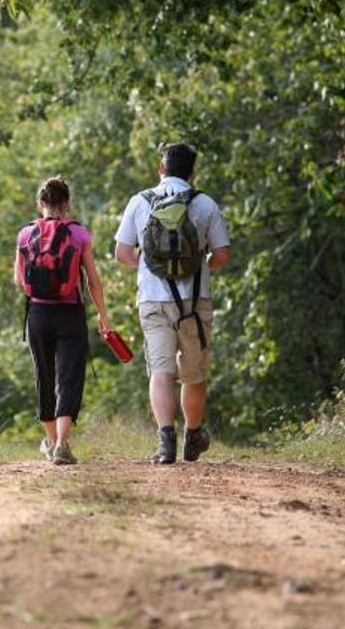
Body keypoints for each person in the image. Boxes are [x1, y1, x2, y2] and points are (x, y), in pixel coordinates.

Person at [114, 143, 231, 464]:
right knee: (193, 373)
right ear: (192, 173)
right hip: (195, 301)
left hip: (152, 299)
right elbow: (222, 255)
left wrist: (152, 264)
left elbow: (122, 253)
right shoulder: (205, 204)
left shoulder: (140, 202)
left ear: (160, 168)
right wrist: (200, 263)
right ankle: (193, 436)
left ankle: (165, 441)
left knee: (161, 370)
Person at [15, 176, 111, 465]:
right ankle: (62, 444)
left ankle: (50, 440)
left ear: (40, 203)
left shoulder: (25, 235)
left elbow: (20, 281)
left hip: (38, 314)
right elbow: (93, 282)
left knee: (44, 376)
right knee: (69, 378)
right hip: (70, 314)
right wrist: (103, 317)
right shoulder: (79, 235)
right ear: (67, 203)